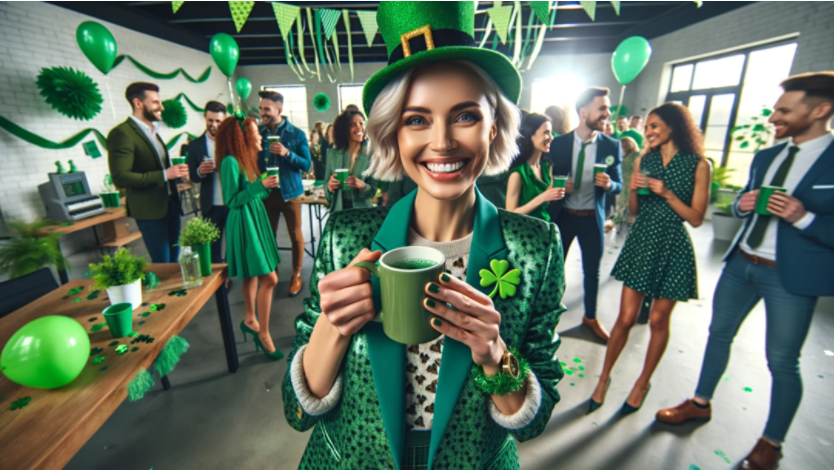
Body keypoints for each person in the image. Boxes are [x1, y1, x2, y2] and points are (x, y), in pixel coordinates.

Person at [281, 3, 566, 469]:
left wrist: (495, 355)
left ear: (494, 126)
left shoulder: (536, 248)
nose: (442, 142)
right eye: (417, 120)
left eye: (465, 116)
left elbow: (534, 420)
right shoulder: (346, 239)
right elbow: (297, 413)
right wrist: (330, 330)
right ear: (393, 133)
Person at [656, 72, 834, 470]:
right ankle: (699, 404)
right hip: (741, 264)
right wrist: (742, 204)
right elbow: (737, 205)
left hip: (790, 279)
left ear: (821, 110)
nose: (773, 117)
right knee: (718, 336)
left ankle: (771, 443)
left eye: (785, 110)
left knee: (782, 361)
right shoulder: (767, 157)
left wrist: (803, 218)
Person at [589, 102, 711, 416]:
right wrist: (632, 189)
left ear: (674, 126)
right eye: (647, 128)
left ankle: (642, 383)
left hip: (672, 243)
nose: (649, 132)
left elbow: (696, 218)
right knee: (625, 318)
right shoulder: (646, 159)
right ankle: (603, 379)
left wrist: (667, 193)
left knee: (658, 321)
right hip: (642, 241)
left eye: (654, 126)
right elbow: (634, 210)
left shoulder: (699, 165)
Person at [544, 87, 623, 342]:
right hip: (563, 216)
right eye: (603, 108)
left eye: (608, 108)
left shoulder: (612, 146)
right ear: (583, 112)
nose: (607, 114)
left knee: (593, 271)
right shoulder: (558, 144)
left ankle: (590, 318)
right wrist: (557, 185)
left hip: (592, 218)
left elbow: (619, 184)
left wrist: (610, 185)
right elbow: (544, 177)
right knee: (555, 270)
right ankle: (546, 319)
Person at [217, 111, 283, 360]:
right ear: (242, 136)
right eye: (256, 134)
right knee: (271, 279)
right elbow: (231, 200)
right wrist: (259, 186)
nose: (260, 138)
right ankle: (264, 334)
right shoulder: (230, 162)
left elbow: (252, 192)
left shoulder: (246, 159)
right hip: (243, 221)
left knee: (253, 274)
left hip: (253, 216)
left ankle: (250, 319)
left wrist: (263, 185)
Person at [108, 82, 186, 263]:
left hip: (171, 205)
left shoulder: (154, 132)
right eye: (156, 102)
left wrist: (178, 174)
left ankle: (178, 291)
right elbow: (120, 177)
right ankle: (165, 291)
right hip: (150, 211)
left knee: (175, 260)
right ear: (138, 103)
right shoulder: (122, 134)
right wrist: (165, 175)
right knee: (162, 263)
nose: (161, 107)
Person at [257, 90, 312, 297]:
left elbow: (307, 165)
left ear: (279, 109)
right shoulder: (258, 134)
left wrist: (287, 153)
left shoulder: (296, 134)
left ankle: (296, 275)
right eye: (261, 108)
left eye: (266, 109)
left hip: (291, 193)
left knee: (296, 236)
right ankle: (273, 273)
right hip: (266, 194)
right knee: (268, 237)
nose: (262, 112)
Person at [186, 101, 228, 268]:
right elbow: (193, 177)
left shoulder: (231, 143)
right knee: (213, 245)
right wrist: (201, 172)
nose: (214, 125)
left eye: (218, 121)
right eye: (210, 120)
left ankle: (231, 272)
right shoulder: (195, 145)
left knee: (233, 243)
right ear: (205, 117)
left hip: (232, 202)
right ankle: (220, 280)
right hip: (210, 204)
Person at [506, 113, 563, 220]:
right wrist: (543, 197)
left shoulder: (546, 167)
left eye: (551, 133)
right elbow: (510, 213)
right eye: (546, 132)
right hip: (526, 232)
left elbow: (546, 203)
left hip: (544, 227)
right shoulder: (517, 173)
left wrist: (553, 193)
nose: (551, 137)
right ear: (530, 135)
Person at [324, 109, 378, 211]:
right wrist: (329, 187)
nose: (359, 127)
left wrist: (362, 185)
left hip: (362, 213)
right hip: (339, 212)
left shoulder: (372, 155)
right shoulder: (332, 154)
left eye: (361, 123)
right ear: (344, 129)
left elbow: (373, 191)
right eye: (353, 124)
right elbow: (327, 192)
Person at [613, 136, 641, 226]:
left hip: (630, 185)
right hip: (623, 185)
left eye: (623, 146)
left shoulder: (636, 156)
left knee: (627, 207)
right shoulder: (623, 156)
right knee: (620, 207)